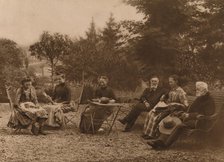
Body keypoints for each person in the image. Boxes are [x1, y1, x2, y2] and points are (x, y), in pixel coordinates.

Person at [147, 81, 216, 149]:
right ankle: (160, 140)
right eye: (196, 89)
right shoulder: (200, 98)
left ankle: (165, 145)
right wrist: (183, 113)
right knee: (173, 121)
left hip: (202, 122)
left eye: (198, 89)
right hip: (192, 118)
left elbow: (206, 115)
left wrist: (190, 115)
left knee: (180, 125)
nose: (196, 91)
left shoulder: (209, 101)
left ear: (204, 90)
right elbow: (190, 109)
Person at [142, 75, 189, 140]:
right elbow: (169, 100)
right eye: (169, 82)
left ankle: (153, 135)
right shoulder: (172, 90)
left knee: (157, 117)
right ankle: (147, 133)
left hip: (175, 111)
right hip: (168, 108)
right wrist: (164, 100)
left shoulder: (181, 92)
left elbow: (186, 105)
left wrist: (175, 104)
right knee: (152, 113)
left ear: (176, 82)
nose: (170, 84)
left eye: (171, 82)